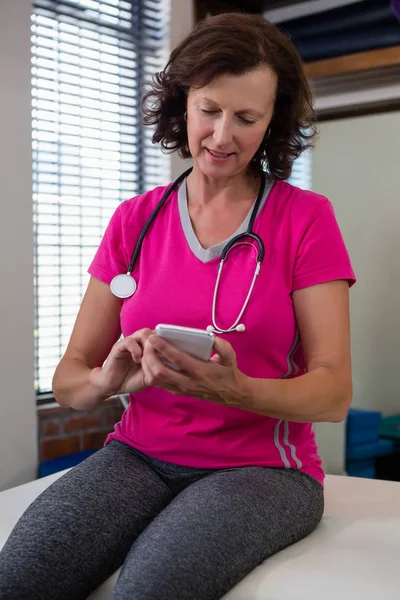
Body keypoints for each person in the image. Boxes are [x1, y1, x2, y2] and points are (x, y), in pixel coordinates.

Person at [0, 12, 355, 600]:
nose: (222, 136)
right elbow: (69, 379)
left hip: (263, 470)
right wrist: (106, 381)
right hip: (139, 453)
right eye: (209, 110)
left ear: (272, 123)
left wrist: (238, 390)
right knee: (19, 576)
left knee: (149, 590)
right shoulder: (134, 221)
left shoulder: (304, 218)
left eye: (247, 118)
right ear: (183, 104)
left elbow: (334, 391)